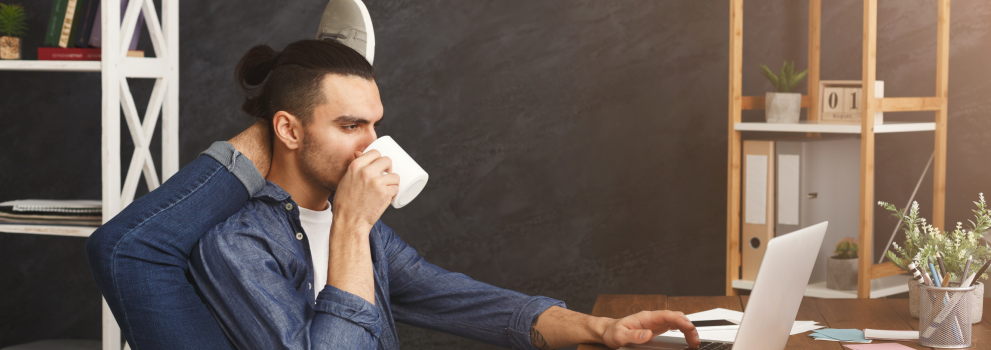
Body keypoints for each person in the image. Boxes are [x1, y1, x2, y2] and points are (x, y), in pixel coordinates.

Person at [86, 2, 701, 350]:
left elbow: (458, 297)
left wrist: (598, 328)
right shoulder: (238, 243)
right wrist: (351, 226)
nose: (372, 146)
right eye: (351, 125)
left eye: (375, 126)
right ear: (289, 130)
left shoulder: (358, 227)